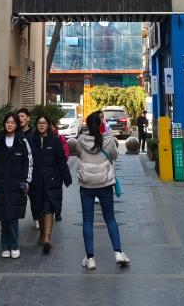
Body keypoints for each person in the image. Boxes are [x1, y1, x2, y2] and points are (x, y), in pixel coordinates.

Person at [76, 111, 129, 270]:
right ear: (100, 125)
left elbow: (78, 155)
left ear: (86, 126)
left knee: (87, 221)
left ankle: (90, 258)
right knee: (110, 219)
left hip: (86, 185)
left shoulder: (80, 141)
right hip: (105, 184)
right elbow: (114, 156)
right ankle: (118, 253)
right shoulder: (109, 140)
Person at [0, 113, 32, 259]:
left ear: (17, 125)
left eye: (12, 122)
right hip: (1, 186)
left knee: (13, 217)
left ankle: (14, 245)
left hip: (16, 186)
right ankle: (5, 246)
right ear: (4, 124)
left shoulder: (22, 142)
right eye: (7, 122)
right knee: (4, 217)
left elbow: (28, 164)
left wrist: (26, 181)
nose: (10, 125)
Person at [27, 115, 72, 253]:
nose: (42, 125)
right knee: (39, 209)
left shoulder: (55, 141)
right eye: (39, 123)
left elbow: (61, 161)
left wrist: (67, 178)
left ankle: (47, 238)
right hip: (36, 182)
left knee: (49, 208)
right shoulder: (31, 141)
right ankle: (42, 234)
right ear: (36, 125)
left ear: (48, 125)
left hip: (52, 180)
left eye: (44, 123)